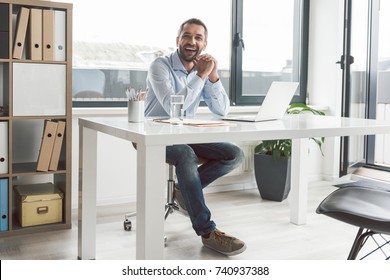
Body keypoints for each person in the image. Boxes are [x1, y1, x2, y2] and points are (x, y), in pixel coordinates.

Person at [145, 18, 246, 256]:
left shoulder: (202, 69)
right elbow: (173, 109)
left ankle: (184, 191)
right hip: (155, 134)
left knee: (234, 154)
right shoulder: (159, 66)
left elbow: (222, 110)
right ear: (178, 40)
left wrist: (213, 77)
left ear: (205, 43)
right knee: (185, 153)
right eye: (187, 36)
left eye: (198, 37)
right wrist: (200, 76)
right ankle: (207, 231)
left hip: (185, 132)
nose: (192, 42)